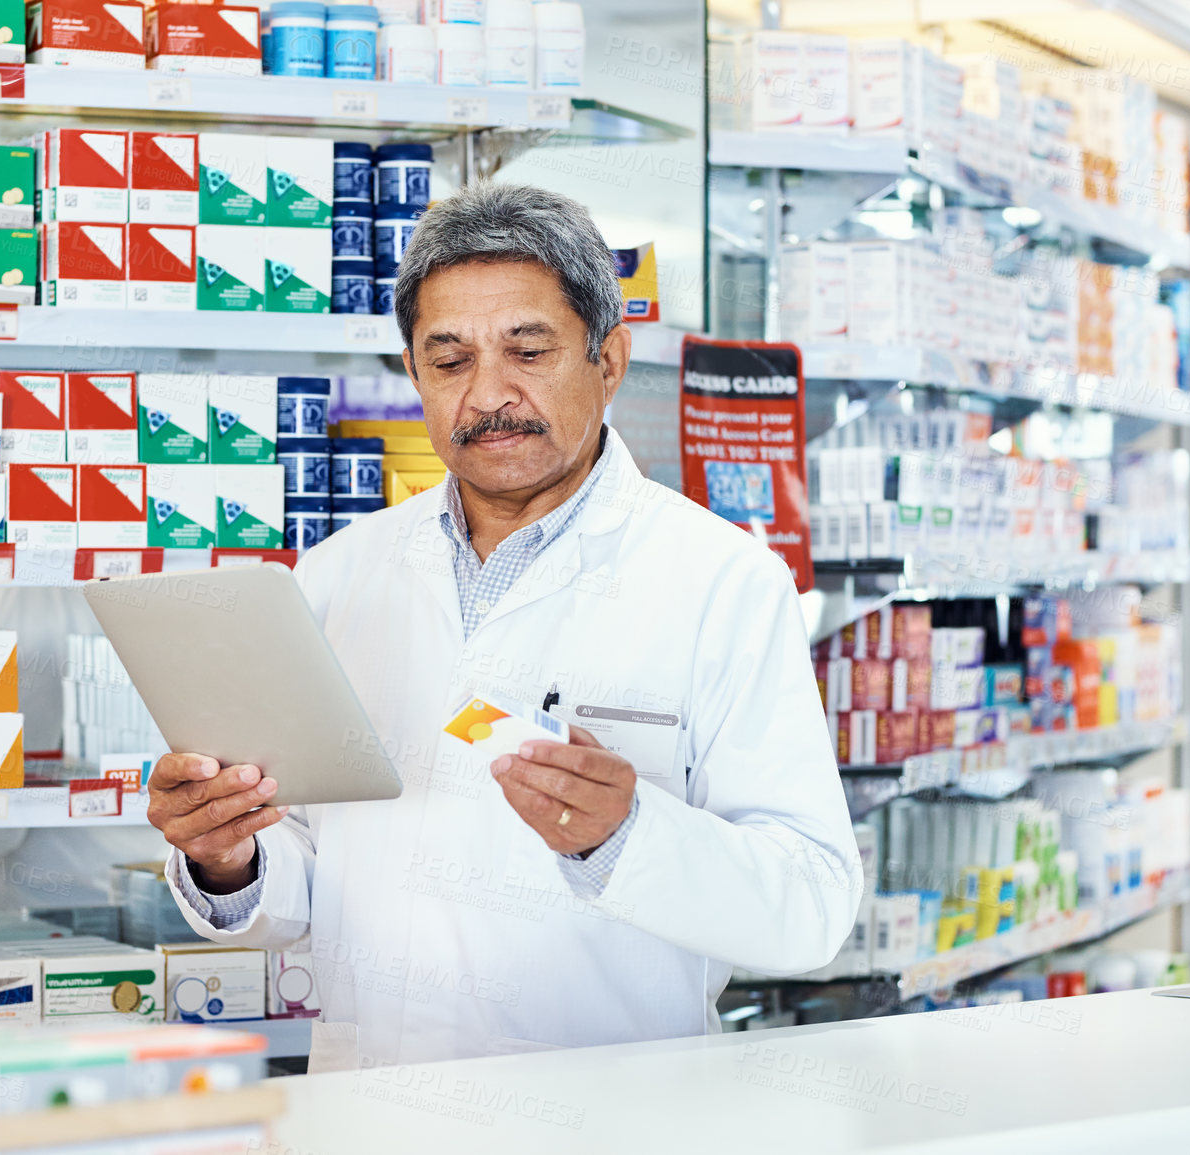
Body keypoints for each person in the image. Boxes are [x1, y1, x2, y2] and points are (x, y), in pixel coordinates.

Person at [148, 183, 860, 1070]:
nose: (489, 394)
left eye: (528, 350)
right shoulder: (341, 573)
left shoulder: (721, 582)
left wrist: (623, 836)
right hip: (374, 1107)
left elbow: (811, 907)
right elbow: (317, 882)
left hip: (599, 1111)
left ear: (609, 358)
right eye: (448, 362)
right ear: (412, 373)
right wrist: (229, 856)